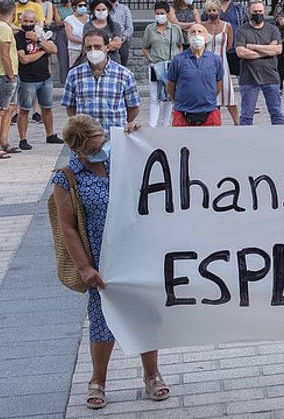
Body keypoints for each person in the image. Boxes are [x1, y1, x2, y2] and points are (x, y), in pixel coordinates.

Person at [51, 114, 170, 410]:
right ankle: (98, 380)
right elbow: (67, 227)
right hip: (102, 259)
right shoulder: (67, 178)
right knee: (102, 321)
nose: (100, 150)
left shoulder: (120, 158)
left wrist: (140, 136)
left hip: (138, 251)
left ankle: (152, 374)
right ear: (77, 149)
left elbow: (158, 162)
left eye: (101, 142)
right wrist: (84, 267)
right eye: (93, 147)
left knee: (145, 312)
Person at [63, 30, 141, 135]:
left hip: (114, 137)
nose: (93, 50)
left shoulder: (124, 74)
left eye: (97, 46)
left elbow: (133, 107)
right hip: (85, 139)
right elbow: (70, 107)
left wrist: (122, 124)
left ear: (107, 47)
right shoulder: (74, 74)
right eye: (88, 47)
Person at [235, 0, 284, 126]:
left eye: (260, 11)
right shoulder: (241, 30)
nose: (258, 14)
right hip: (249, 78)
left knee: (276, 113)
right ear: (248, 13)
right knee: (247, 115)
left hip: (271, 77)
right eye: (255, 12)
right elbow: (241, 52)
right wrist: (268, 50)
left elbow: (278, 49)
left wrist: (252, 46)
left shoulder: (272, 29)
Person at [14, 7, 57, 149]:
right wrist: (42, 52)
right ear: (20, 21)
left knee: (47, 108)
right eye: (25, 21)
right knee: (25, 110)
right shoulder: (19, 37)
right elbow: (23, 59)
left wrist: (38, 41)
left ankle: (50, 134)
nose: (27, 23)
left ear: (36, 22)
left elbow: (54, 49)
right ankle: (23, 139)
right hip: (27, 79)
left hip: (45, 77)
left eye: (30, 21)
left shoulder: (41, 34)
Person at [165, 27, 224, 127]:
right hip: (183, 113)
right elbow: (170, 85)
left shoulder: (215, 60)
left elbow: (218, 84)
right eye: (193, 32)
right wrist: (179, 101)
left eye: (200, 32)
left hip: (210, 112)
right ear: (188, 38)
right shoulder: (177, 60)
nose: (196, 35)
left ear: (206, 38)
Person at [137, 2, 180, 128]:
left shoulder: (175, 29)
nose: (160, 16)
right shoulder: (150, 29)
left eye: (162, 13)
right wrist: (150, 59)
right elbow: (145, 47)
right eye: (157, 13)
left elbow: (180, 45)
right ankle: (152, 125)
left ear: (167, 14)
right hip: (156, 66)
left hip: (171, 65)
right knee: (154, 96)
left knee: (168, 96)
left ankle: (165, 124)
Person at [0, 0, 20, 159]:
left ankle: (4, 141)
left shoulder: (0, 27)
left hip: (7, 74)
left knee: (10, 108)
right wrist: (10, 74)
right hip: (4, 74)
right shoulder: (3, 29)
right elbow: (4, 55)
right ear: (13, 12)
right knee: (0, 110)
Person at [199, 0, 239, 125]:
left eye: (214, 10)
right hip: (206, 62)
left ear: (219, 11)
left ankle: (237, 122)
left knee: (227, 91)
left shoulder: (227, 26)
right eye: (209, 11)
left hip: (222, 61)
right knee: (210, 91)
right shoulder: (203, 26)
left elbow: (229, 45)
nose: (212, 13)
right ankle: (214, 121)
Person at [213, 0, 244, 76]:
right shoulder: (213, 7)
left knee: (239, 73)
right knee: (219, 74)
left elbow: (245, 23)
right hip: (218, 47)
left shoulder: (238, 7)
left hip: (235, 46)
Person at [102, 0, 135, 66]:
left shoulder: (124, 9)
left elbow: (129, 28)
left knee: (122, 66)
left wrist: (121, 39)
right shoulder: (102, 9)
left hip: (122, 42)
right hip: (106, 43)